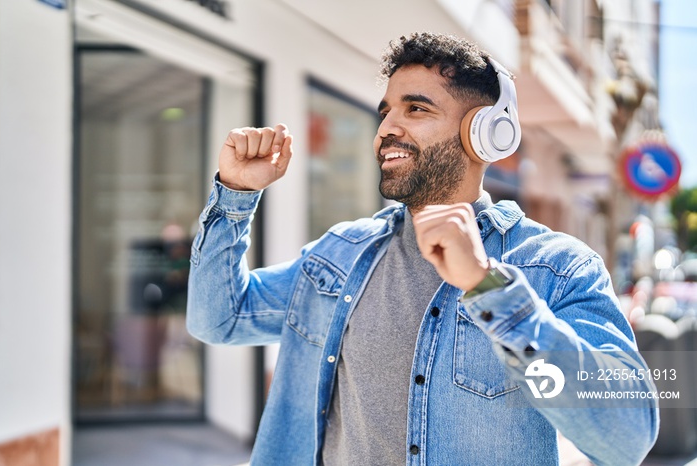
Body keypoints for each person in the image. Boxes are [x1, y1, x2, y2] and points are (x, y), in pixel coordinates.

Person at [187, 32, 659, 465]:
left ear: (485, 133)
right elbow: (218, 319)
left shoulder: (558, 268)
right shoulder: (338, 256)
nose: (387, 128)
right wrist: (235, 194)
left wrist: (488, 287)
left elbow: (627, 437)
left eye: (415, 109)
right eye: (385, 111)